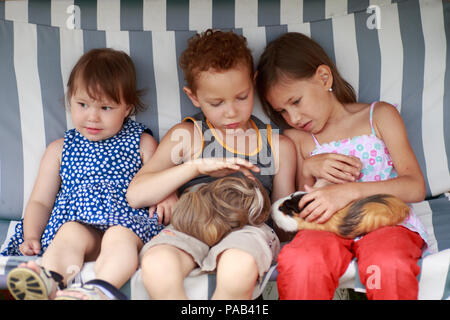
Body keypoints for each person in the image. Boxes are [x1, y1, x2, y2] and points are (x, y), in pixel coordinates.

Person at [255, 32, 430, 300]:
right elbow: (291, 213)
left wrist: (349, 192)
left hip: (385, 223)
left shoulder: (378, 116)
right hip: (324, 229)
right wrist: (309, 168)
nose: (293, 117)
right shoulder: (298, 139)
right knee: (301, 262)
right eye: (282, 112)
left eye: (296, 101)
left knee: (389, 262)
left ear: (324, 78)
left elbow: (415, 186)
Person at [126, 29, 296, 300]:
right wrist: (194, 168)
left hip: (248, 231)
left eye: (242, 97)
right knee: (158, 265)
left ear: (253, 83)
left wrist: (259, 197)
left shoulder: (278, 146)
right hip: (190, 226)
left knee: (238, 267)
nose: (231, 111)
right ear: (193, 97)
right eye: (216, 103)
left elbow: (283, 221)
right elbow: (136, 194)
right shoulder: (188, 136)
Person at [4, 48, 165, 300]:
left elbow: (159, 180)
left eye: (106, 107)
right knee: (69, 233)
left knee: (118, 238)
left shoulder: (142, 143)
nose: (92, 116)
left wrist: (167, 196)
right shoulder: (59, 149)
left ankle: (101, 288)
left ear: (127, 108)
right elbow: (40, 201)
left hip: (127, 224)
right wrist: (32, 236)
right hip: (80, 225)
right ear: (71, 100)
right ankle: (51, 279)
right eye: (83, 104)